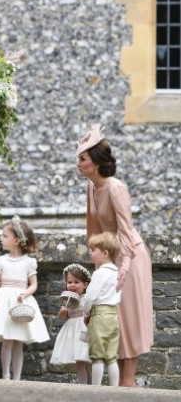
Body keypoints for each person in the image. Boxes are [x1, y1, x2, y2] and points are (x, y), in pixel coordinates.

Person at [76, 124, 153, 386]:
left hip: (131, 257)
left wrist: (124, 266)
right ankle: (119, 384)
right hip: (111, 257)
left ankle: (127, 383)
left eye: (82, 159)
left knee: (128, 317)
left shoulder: (116, 188)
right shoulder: (91, 187)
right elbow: (93, 229)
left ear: (95, 163)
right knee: (110, 317)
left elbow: (126, 230)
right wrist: (98, 264)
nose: (78, 163)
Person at [0, 216, 50, 380]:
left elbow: (33, 284)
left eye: (5, 236)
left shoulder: (29, 262)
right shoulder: (1, 261)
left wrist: (24, 294)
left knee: (18, 342)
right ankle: (5, 375)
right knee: (7, 340)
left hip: (20, 301)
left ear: (16, 240)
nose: (1, 239)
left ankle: (17, 377)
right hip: (4, 301)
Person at [82, 232, 122, 386]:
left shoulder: (99, 273)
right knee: (111, 356)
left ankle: (96, 388)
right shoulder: (118, 274)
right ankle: (114, 389)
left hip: (99, 315)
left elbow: (90, 297)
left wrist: (86, 313)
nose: (90, 253)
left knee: (97, 355)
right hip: (113, 315)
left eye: (93, 250)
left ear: (105, 253)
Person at [49, 263, 92, 384]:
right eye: (69, 282)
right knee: (80, 361)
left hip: (83, 329)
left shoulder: (86, 298)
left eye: (76, 282)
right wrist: (63, 311)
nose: (72, 285)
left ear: (85, 285)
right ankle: (86, 385)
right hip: (71, 330)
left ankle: (87, 386)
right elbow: (62, 317)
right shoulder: (67, 299)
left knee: (83, 360)